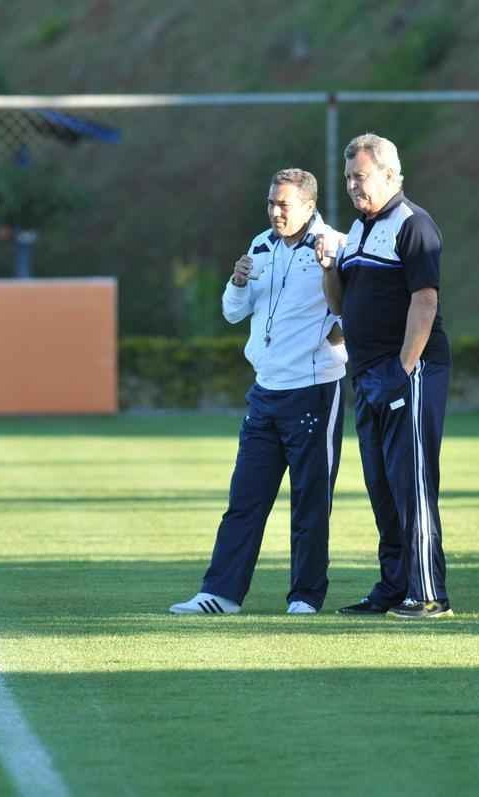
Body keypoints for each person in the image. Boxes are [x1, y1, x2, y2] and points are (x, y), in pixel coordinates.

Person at [170, 168, 347, 615]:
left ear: (309, 206)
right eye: (271, 203)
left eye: (284, 205)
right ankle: (221, 593)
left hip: (313, 392)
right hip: (264, 391)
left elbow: (359, 310)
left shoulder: (335, 246)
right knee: (244, 499)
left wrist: (335, 339)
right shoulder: (260, 245)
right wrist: (238, 281)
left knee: (310, 501)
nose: (275, 212)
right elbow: (232, 314)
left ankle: (305, 596)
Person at [316, 133, 453, 619]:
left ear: (391, 175)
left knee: (411, 482)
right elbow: (340, 303)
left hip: (406, 372)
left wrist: (404, 367)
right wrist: (330, 266)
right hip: (368, 374)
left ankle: (429, 593)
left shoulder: (412, 224)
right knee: (381, 486)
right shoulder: (357, 231)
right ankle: (394, 587)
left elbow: (425, 300)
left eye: (363, 176)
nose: (355, 185)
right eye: (349, 177)